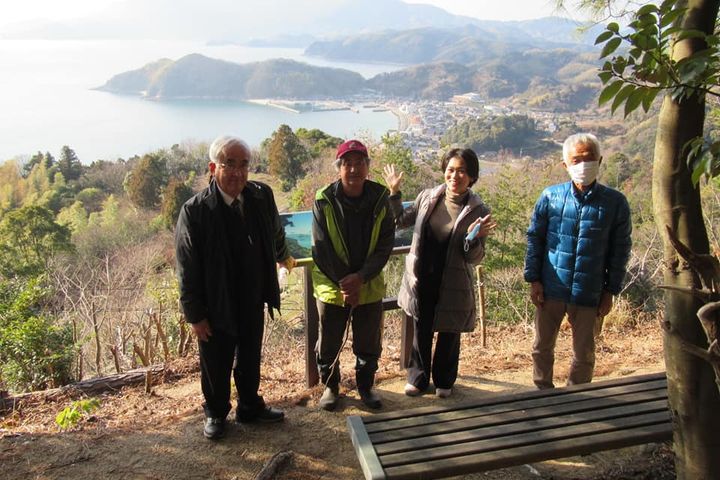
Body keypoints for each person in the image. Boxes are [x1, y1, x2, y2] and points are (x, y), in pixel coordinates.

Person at [175, 135, 295, 439]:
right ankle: (216, 413)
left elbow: (275, 231)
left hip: (253, 294)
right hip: (216, 302)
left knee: (250, 356)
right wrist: (195, 315)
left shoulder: (260, 195)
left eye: (244, 165)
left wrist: (283, 257)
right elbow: (187, 267)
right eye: (230, 164)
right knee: (215, 362)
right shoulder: (196, 211)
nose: (238, 173)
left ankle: (249, 406)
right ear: (213, 167)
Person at [383, 148, 496, 398]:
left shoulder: (478, 210)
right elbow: (401, 219)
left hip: (454, 280)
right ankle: (418, 378)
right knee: (420, 330)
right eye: (451, 170)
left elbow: (475, 258)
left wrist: (475, 239)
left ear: (472, 177)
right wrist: (394, 193)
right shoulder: (428, 197)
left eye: (462, 171)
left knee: (449, 333)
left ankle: (445, 380)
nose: (455, 176)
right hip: (422, 277)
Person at [524, 133, 632, 389]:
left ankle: (577, 396)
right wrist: (533, 279)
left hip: (590, 290)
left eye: (589, 158)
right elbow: (535, 239)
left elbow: (620, 250)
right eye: (577, 159)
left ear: (600, 160)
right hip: (551, 286)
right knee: (541, 347)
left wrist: (610, 290)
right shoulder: (551, 197)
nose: (584, 164)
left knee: (584, 353)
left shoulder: (615, 203)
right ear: (566, 165)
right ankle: (542, 392)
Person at [311, 139, 395, 411]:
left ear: (368, 167)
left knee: (368, 340)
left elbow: (385, 245)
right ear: (339, 168)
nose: (354, 169)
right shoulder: (324, 199)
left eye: (360, 163)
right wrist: (346, 282)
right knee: (330, 340)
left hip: (368, 284)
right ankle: (330, 387)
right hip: (332, 286)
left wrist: (361, 278)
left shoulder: (381, 199)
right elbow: (320, 248)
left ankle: (366, 386)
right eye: (348, 163)